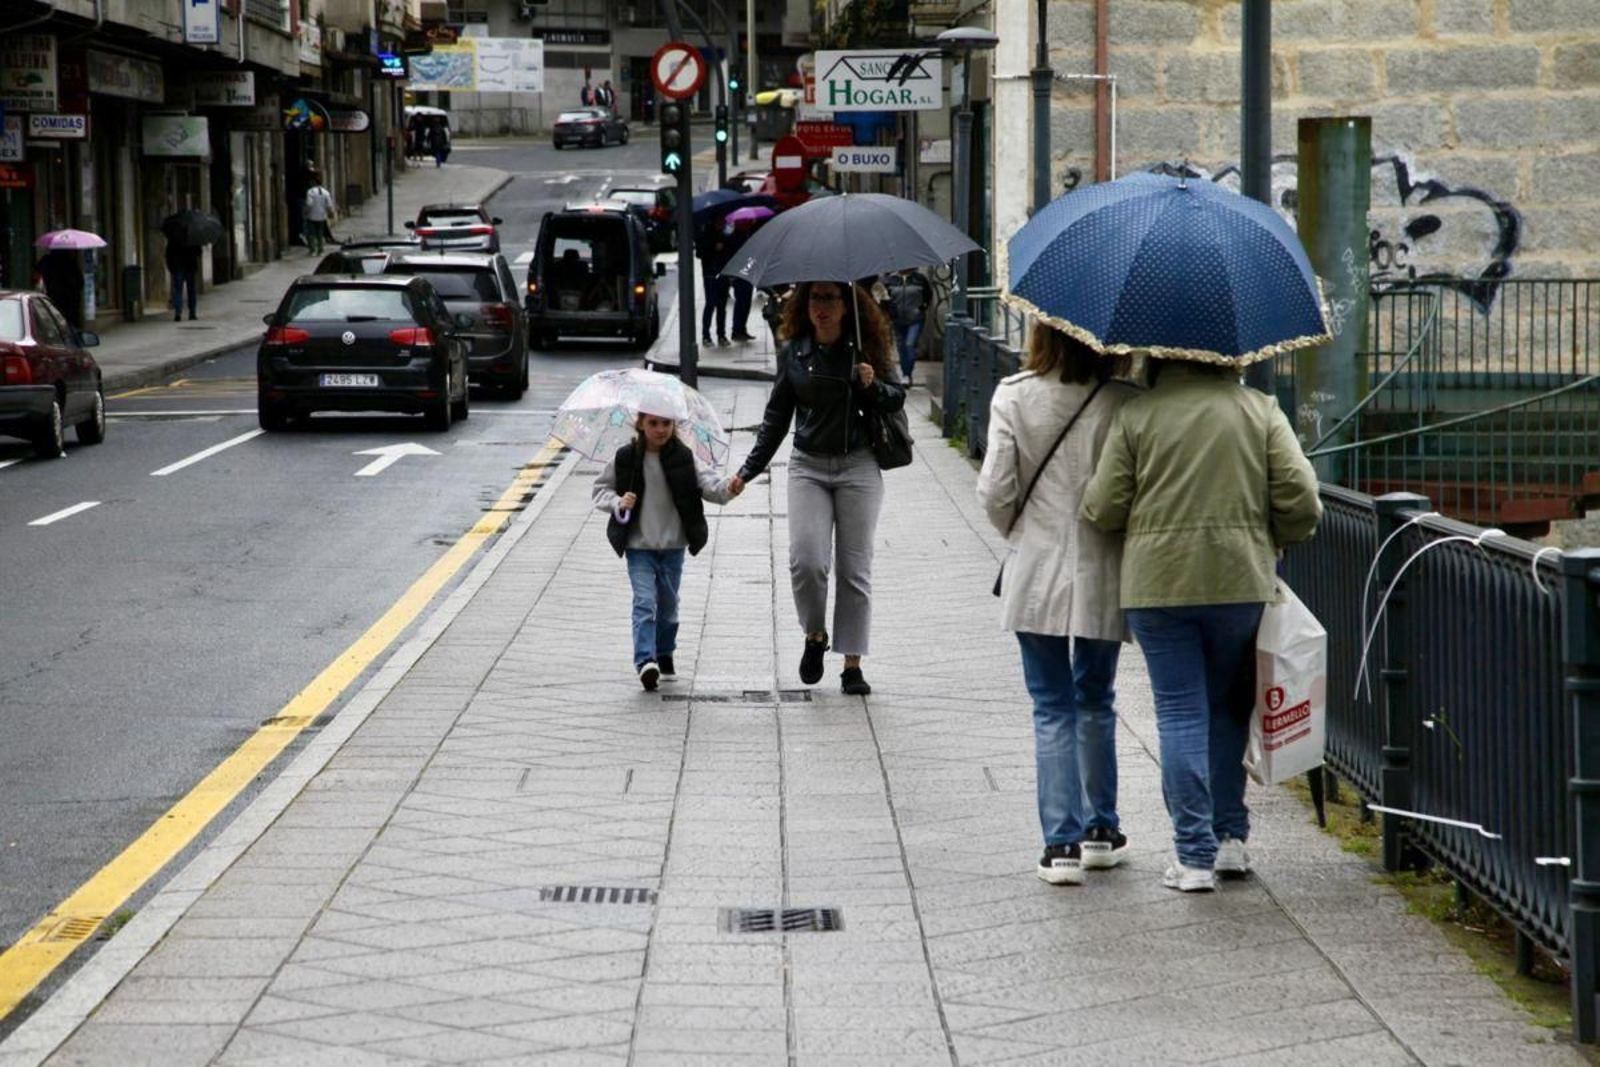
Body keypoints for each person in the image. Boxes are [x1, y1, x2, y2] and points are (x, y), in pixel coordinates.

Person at [1081, 356, 1322, 893]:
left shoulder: (1139, 415)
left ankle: (1193, 857)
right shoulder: (1259, 410)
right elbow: (1301, 498)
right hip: (1240, 579)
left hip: (1158, 585)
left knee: (1180, 712)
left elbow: (1104, 506)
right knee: (1228, 707)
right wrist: (1275, 533)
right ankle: (1230, 841)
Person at [976, 326, 1135, 886]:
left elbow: (995, 490)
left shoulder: (1014, 395)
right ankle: (1101, 829)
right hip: (1103, 572)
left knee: (1050, 704)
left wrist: (1022, 531)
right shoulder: (1124, 402)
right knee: (1096, 695)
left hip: (1036, 571)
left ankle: (1060, 843)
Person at [729, 281, 906, 695]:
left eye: (830, 298)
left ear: (847, 305)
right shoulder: (794, 353)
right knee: (807, 562)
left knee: (854, 568)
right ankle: (815, 635)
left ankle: (852, 664)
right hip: (808, 466)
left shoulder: (866, 348)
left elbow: (896, 398)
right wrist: (746, 472)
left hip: (859, 465)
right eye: (814, 298)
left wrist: (871, 384)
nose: (821, 306)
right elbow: (775, 419)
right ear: (804, 305)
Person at [593, 409, 739, 690]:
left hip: (673, 546)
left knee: (669, 608)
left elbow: (710, 484)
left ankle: (665, 652)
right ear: (640, 425)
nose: (661, 429)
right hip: (639, 547)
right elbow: (600, 490)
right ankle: (645, 661)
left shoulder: (684, 457)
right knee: (645, 603)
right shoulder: (626, 458)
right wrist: (617, 502)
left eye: (666, 423)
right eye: (654, 423)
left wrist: (729, 488)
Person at [883, 268, 934, 385]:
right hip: (897, 319)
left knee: (910, 344)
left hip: (915, 319)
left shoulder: (920, 279)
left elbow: (928, 296)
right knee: (901, 347)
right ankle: (905, 373)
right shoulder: (891, 280)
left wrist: (920, 309)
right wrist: (890, 311)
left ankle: (907, 374)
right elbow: (885, 298)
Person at [157, 212, 202, 322]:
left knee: (177, 289)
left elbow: (168, 253)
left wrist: (170, 266)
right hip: (190, 266)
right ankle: (192, 312)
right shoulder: (193, 237)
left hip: (178, 267)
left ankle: (178, 312)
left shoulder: (173, 238)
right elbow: (198, 252)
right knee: (191, 289)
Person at [695, 222, 731, 347]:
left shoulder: (725, 235)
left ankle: (721, 334)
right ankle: (706, 335)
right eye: (720, 220)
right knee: (710, 304)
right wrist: (713, 248)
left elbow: (729, 253)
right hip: (710, 273)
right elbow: (699, 253)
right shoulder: (705, 235)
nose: (722, 223)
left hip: (722, 273)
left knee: (721, 306)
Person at [34, 248, 84, 329]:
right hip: (69, 301)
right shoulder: (70, 263)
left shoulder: (46, 261)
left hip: (50, 298)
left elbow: (36, 275)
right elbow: (79, 282)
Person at [302, 174, 336, 256]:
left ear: (313, 183)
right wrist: (330, 213)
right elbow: (329, 205)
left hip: (312, 216)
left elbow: (309, 204)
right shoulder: (326, 192)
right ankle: (320, 250)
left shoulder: (310, 192)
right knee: (320, 233)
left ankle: (313, 250)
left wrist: (305, 212)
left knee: (311, 234)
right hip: (322, 216)